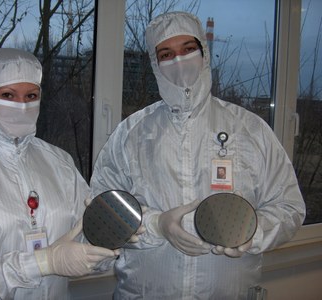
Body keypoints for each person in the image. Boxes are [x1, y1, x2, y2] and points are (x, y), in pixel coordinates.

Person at [90, 11, 306, 299]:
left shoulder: (251, 130)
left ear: (204, 53)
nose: (178, 60)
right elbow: (103, 212)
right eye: (166, 53)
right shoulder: (130, 135)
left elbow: (289, 207)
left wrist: (252, 232)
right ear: (155, 64)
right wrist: (156, 224)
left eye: (188, 49)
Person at [0, 48, 118, 299]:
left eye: (31, 95)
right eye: (7, 95)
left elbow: (84, 233)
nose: (22, 105)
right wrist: (42, 263)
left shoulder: (59, 162)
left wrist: (111, 240)